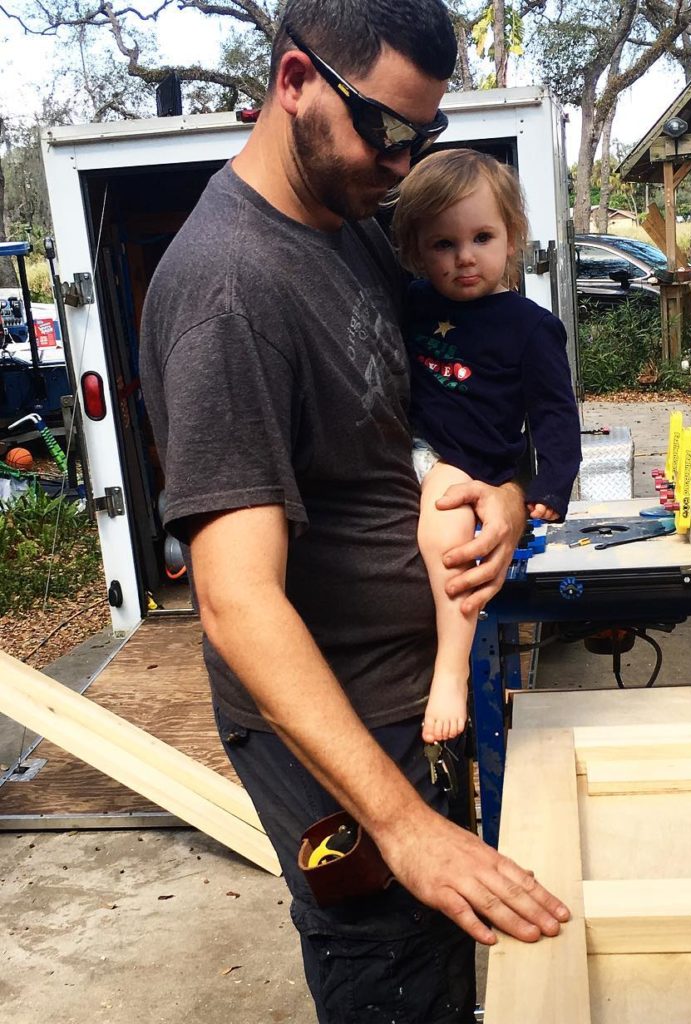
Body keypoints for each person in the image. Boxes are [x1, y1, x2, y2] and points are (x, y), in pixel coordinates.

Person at [139, 2, 569, 1021]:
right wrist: (403, 825)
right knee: (390, 973)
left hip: (413, 701)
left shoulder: (349, 232)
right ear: (294, 82)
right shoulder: (229, 293)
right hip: (338, 747)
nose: (400, 163)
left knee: (443, 957)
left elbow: (399, 432)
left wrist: (500, 493)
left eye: (423, 137)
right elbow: (236, 601)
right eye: (385, 130)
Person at [391, 149, 582, 744]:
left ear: (513, 238)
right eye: (443, 244)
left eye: (482, 237)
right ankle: (453, 670)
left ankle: (450, 672)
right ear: (418, 250)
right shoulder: (412, 303)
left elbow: (554, 412)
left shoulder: (530, 326)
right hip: (420, 451)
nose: (465, 257)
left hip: (486, 463)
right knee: (443, 513)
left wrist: (552, 483)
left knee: (451, 525)